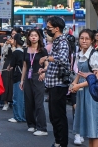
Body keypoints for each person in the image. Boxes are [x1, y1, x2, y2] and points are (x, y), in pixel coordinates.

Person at [70, 29, 98, 147]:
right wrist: (74, 84)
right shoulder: (80, 54)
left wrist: (78, 85)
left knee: (95, 126)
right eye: (81, 38)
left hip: (93, 92)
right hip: (82, 92)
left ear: (92, 41)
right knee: (89, 128)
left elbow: (96, 77)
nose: (84, 41)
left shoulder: (95, 55)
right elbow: (79, 72)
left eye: (87, 39)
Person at [39, 16, 70, 147]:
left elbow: (62, 59)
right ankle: (58, 141)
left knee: (58, 116)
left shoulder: (62, 41)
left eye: (49, 28)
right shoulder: (57, 41)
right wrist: (45, 71)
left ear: (57, 29)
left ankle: (61, 143)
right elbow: (57, 63)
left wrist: (47, 57)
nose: (47, 30)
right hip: (53, 83)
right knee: (54, 115)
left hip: (59, 84)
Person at [20, 29, 49, 135]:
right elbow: (24, 66)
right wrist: (22, 80)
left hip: (38, 77)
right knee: (28, 102)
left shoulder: (43, 50)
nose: (33, 37)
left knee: (38, 102)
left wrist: (44, 73)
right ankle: (31, 124)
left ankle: (42, 128)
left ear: (39, 37)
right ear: (28, 37)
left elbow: (47, 64)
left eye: (35, 35)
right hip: (28, 77)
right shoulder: (25, 50)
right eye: (31, 35)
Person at [8, 33, 26, 123]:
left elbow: (11, 65)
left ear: (15, 41)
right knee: (23, 99)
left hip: (18, 76)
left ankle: (17, 116)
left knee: (17, 98)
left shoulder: (16, 52)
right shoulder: (25, 51)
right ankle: (23, 116)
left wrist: (9, 67)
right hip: (25, 76)